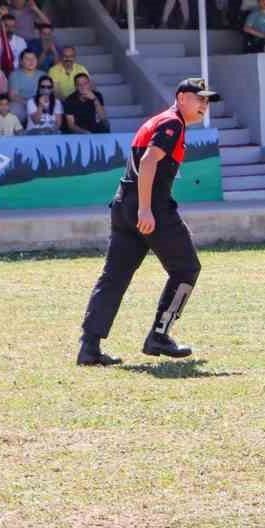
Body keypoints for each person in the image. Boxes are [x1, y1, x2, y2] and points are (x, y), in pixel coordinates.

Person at [78, 78, 220, 365]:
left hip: (124, 205)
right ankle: (159, 335)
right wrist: (145, 210)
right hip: (151, 208)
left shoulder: (159, 120)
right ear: (182, 98)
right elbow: (148, 162)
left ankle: (89, 347)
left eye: (207, 100)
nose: (204, 105)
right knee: (187, 268)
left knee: (114, 276)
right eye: (200, 98)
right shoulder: (173, 124)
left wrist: (137, 208)